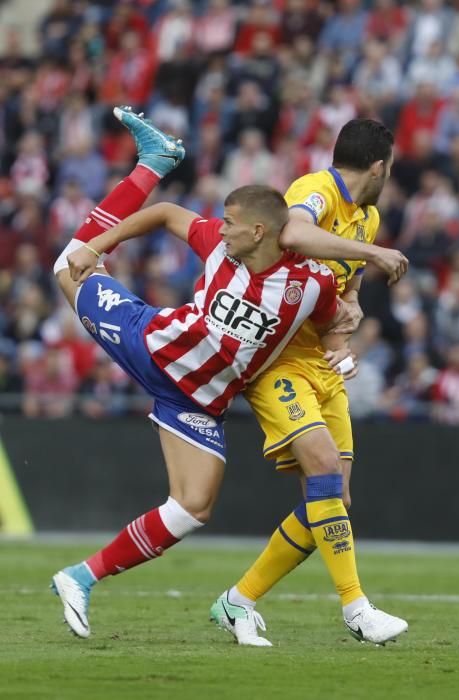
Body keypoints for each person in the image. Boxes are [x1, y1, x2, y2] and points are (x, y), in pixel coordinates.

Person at [51, 106, 363, 639]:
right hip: (148, 345)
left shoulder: (310, 285)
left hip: (196, 403)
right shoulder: (219, 247)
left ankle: (79, 577)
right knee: (67, 265)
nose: (222, 229)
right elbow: (168, 213)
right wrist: (103, 245)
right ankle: (151, 163)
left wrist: (343, 349)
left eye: (232, 222)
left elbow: (337, 323)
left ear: (259, 230)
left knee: (192, 507)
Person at [210, 119, 409, 647]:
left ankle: (238, 600)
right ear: (379, 166)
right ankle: (356, 608)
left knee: (333, 498)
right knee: (322, 470)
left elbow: (348, 294)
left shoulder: (367, 216)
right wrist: (373, 253)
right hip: (278, 360)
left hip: (321, 364)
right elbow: (293, 232)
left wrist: (347, 330)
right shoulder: (315, 190)